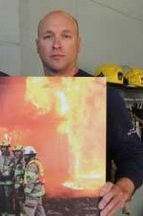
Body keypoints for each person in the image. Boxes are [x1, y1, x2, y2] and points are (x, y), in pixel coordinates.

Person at [36, 10, 143, 216]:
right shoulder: (27, 95)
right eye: (48, 36)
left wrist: (123, 188)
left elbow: (133, 153)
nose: (56, 44)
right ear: (37, 45)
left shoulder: (102, 95)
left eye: (66, 36)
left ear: (79, 44)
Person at [23, 146, 46, 216]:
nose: (24, 157)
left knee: (28, 211)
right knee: (39, 211)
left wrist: (27, 191)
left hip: (32, 193)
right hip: (38, 192)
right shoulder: (37, 162)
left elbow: (31, 180)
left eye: (25, 155)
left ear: (30, 156)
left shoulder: (32, 166)